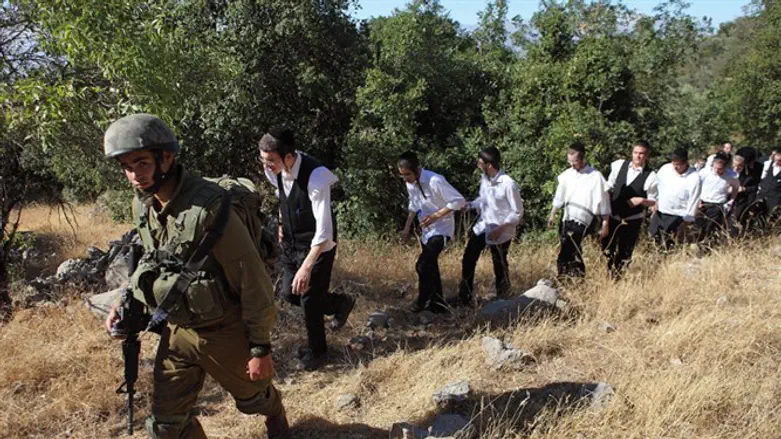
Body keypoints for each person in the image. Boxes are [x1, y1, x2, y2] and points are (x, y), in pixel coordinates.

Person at [102, 114, 290, 439]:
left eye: (142, 163)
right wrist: (125, 298)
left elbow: (253, 279)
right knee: (166, 426)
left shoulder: (209, 209)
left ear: (167, 157)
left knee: (254, 399)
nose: (135, 175)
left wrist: (260, 348)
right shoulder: (143, 205)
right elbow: (152, 258)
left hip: (223, 330)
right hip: (176, 331)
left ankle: (274, 411)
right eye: (127, 166)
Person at [259, 127, 355, 371]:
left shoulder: (316, 177)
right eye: (263, 160)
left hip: (318, 245)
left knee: (309, 298)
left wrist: (306, 266)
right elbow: (282, 195)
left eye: (271, 161)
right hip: (291, 242)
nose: (266, 165)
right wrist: (281, 221)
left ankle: (318, 351)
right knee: (289, 294)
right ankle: (339, 303)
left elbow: (325, 231)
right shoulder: (276, 169)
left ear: (289, 157)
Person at [399, 151, 466, 313]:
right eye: (402, 175)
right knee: (431, 265)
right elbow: (414, 204)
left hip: (442, 229)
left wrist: (436, 216)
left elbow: (459, 201)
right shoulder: (410, 183)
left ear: (416, 169)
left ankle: (422, 300)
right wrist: (407, 227)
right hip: (426, 230)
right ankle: (438, 303)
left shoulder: (435, 180)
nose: (405, 178)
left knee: (422, 265)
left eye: (407, 174)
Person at [456, 147, 523, 306]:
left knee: (499, 263)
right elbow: (484, 199)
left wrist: (500, 229)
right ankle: (465, 296)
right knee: (468, 258)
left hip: (501, 230)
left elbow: (517, 212)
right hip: (484, 225)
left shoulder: (508, 184)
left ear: (490, 165)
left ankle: (503, 298)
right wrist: (470, 205)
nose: (478, 165)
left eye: (480, 163)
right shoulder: (484, 179)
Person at [547, 142, 611, 278]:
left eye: (575, 162)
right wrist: (553, 214)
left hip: (583, 220)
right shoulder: (567, 175)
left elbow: (604, 201)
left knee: (566, 252)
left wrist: (605, 223)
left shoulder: (595, 177)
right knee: (572, 250)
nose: (572, 165)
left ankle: (564, 279)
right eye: (569, 161)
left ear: (582, 159)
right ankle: (577, 279)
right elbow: (560, 195)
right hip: (567, 217)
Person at [602, 140, 657, 278]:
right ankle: (606, 276)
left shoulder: (651, 176)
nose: (638, 156)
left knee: (625, 252)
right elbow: (609, 184)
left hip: (632, 219)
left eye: (641, 154)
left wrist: (641, 200)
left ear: (647, 156)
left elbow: (653, 201)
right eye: (635, 153)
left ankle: (618, 279)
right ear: (632, 153)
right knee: (607, 249)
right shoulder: (619, 165)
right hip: (614, 216)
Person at [648, 148, 702, 251]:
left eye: (679, 164)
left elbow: (694, 200)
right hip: (661, 212)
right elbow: (656, 185)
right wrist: (654, 201)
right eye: (674, 163)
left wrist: (687, 221)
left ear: (686, 162)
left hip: (678, 216)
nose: (675, 167)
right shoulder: (665, 169)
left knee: (671, 245)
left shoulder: (694, 178)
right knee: (654, 239)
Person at [696, 152, 739, 250]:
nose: (717, 171)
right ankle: (698, 244)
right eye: (715, 168)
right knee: (699, 226)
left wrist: (731, 200)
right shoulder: (704, 173)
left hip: (717, 204)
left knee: (710, 228)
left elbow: (736, 187)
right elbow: (697, 186)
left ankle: (707, 248)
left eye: (720, 169)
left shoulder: (731, 175)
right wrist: (697, 200)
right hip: (703, 203)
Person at [730, 147, 762, 234]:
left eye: (740, 165)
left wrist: (745, 189)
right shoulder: (728, 167)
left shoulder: (757, 169)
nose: (736, 168)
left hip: (745, 199)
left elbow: (757, 185)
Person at [753, 146, 781, 225]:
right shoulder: (767, 164)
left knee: (772, 217)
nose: (779, 159)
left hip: (775, 197)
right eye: (778, 156)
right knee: (757, 214)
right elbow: (762, 177)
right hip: (762, 194)